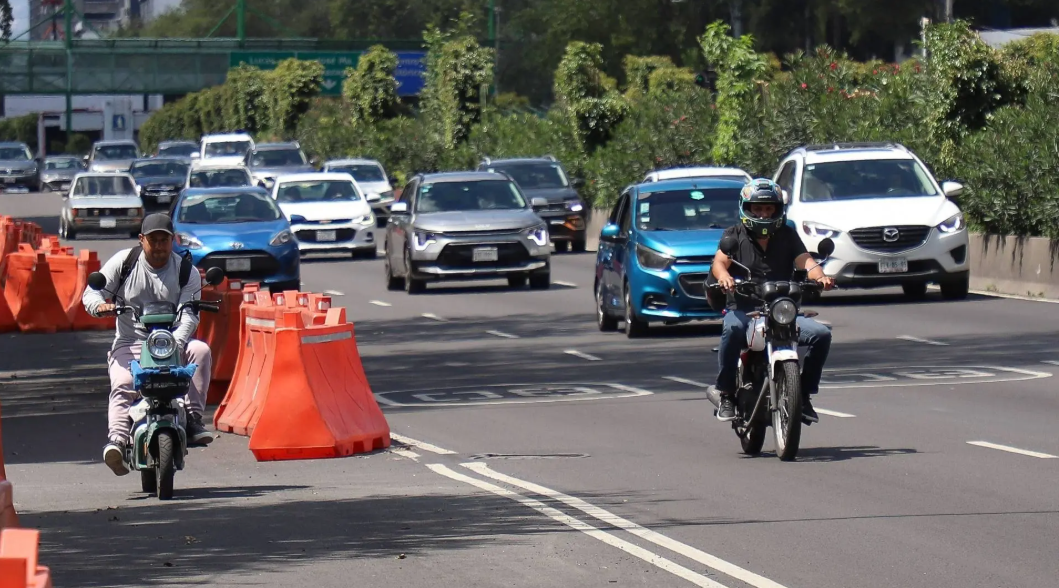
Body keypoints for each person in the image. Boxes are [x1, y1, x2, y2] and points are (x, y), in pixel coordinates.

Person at [82, 213, 214, 477]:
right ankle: (117, 441)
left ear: (173, 240)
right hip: (131, 342)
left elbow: (190, 313)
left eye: (164, 240)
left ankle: (193, 419)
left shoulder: (186, 270)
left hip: (172, 341)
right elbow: (92, 291)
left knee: (201, 350)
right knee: (122, 382)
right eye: (153, 240)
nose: (159, 246)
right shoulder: (124, 263)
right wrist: (99, 306)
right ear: (142, 240)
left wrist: (176, 341)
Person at [709, 179, 834, 423]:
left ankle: (805, 395)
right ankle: (726, 394)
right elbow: (719, 262)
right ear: (747, 208)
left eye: (769, 209)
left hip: (782, 309)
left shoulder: (787, 234)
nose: (764, 214)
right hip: (744, 308)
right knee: (732, 329)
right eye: (758, 208)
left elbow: (805, 261)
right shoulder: (733, 234)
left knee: (821, 335)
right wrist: (724, 277)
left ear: (777, 210)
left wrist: (821, 277)